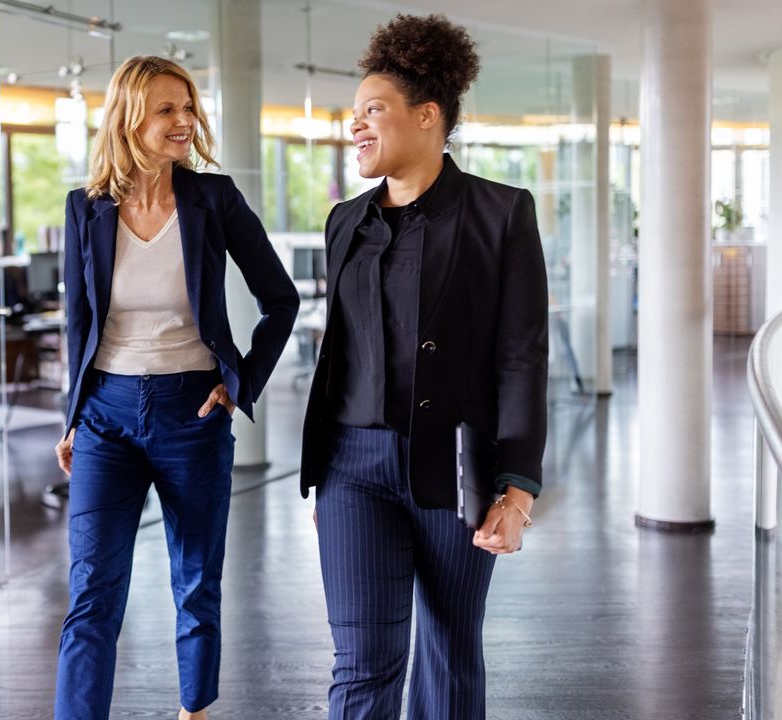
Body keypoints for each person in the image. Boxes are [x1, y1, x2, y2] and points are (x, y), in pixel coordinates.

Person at [298, 14, 548, 720]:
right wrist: (323, 474)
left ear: (428, 116)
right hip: (352, 469)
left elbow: (522, 356)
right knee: (361, 662)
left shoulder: (501, 214)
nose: (356, 127)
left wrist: (518, 489)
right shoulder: (345, 220)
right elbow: (339, 349)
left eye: (372, 110)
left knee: (447, 648)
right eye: (354, 115)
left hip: (454, 466)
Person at [54, 55, 299, 720]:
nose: (184, 121)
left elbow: (282, 298)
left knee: (195, 584)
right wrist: (71, 418)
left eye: (188, 108)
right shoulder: (86, 209)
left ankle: (195, 712)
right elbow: (79, 321)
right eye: (167, 109)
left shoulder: (212, 200)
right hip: (105, 415)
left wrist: (239, 382)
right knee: (93, 594)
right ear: (130, 117)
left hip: (192, 411)